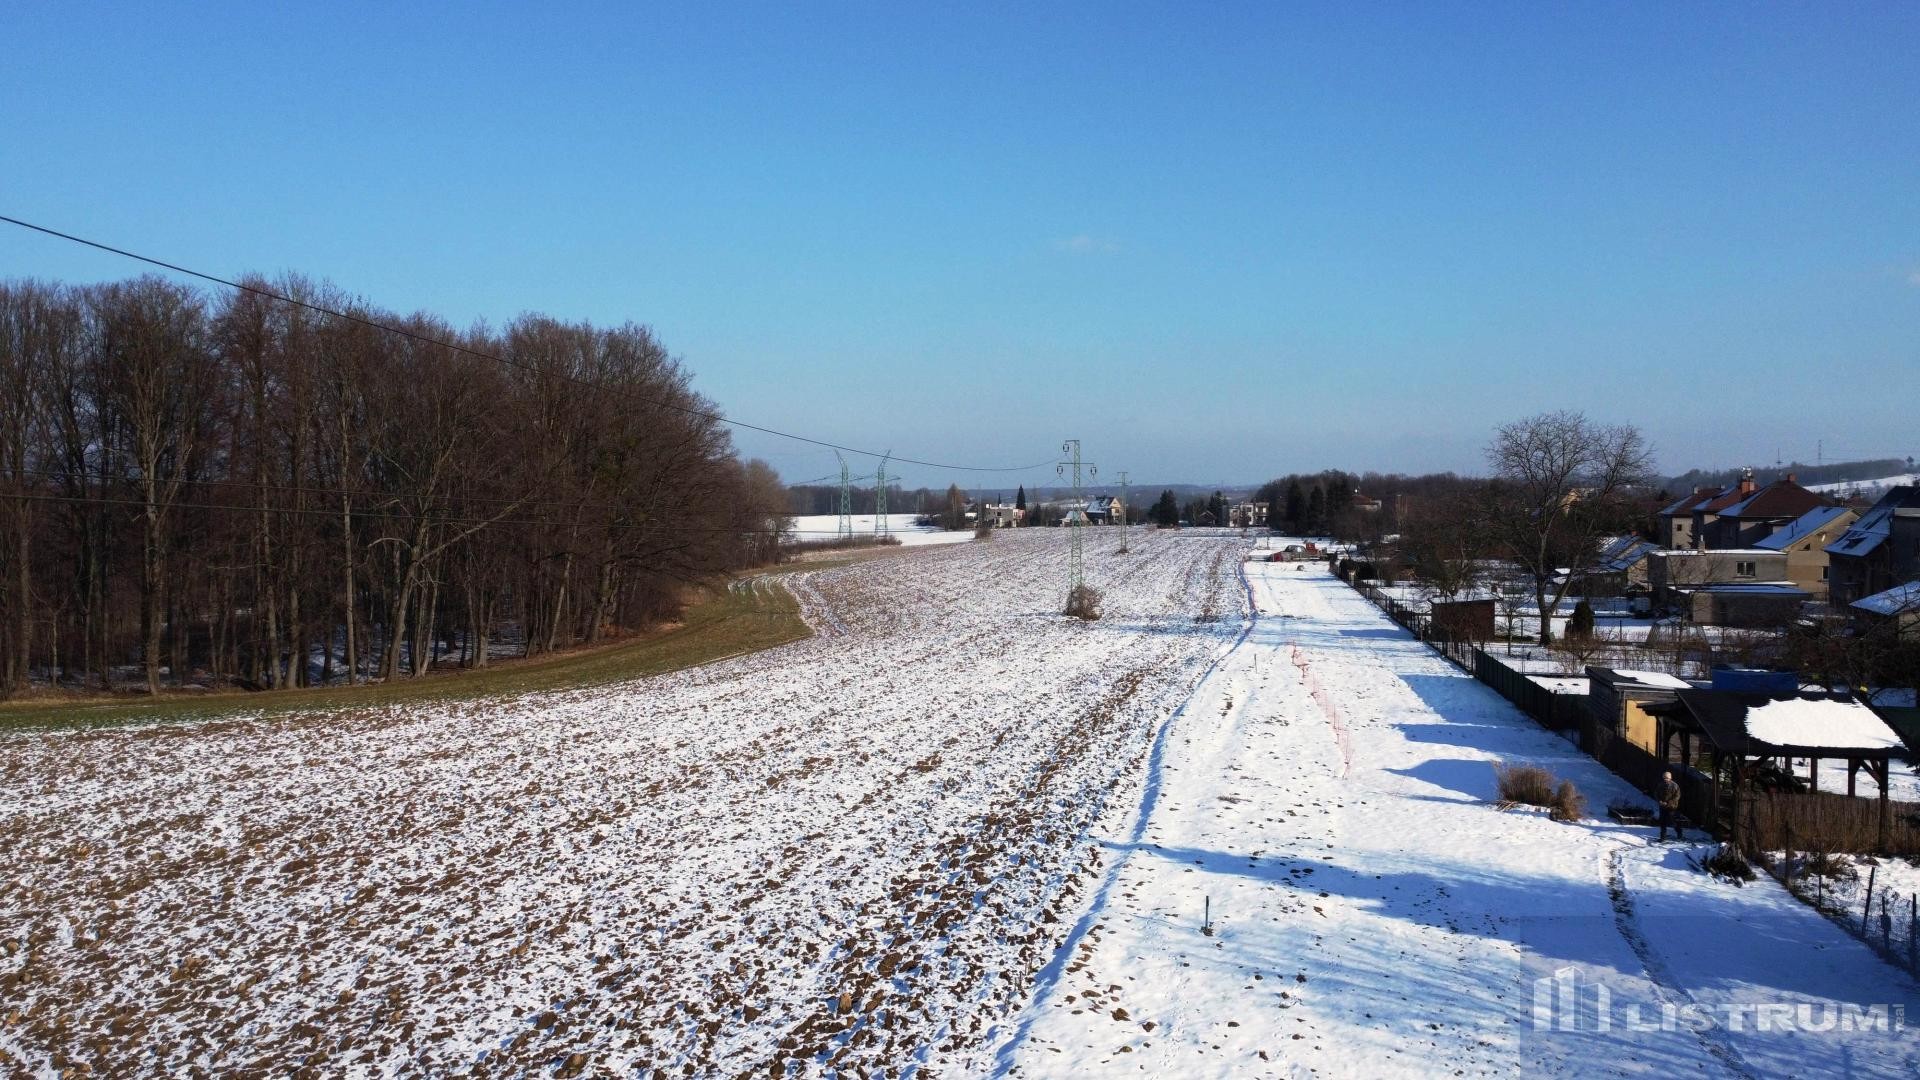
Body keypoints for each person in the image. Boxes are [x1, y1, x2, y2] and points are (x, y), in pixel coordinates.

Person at [1656, 771, 1682, 842]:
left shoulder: (1675, 786)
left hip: (1671, 806)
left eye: (1667, 778)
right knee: (1662, 822)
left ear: (1670, 778)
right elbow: (1657, 794)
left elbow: (1677, 797)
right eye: (1664, 778)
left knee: (1672, 821)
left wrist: (1668, 803)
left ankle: (1679, 831)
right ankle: (1663, 837)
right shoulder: (1660, 785)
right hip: (1662, 806)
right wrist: (1660, 801)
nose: (1665, 779)